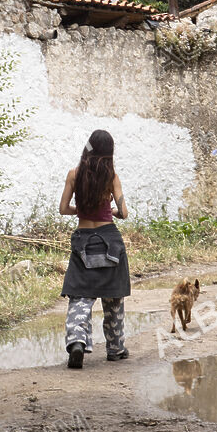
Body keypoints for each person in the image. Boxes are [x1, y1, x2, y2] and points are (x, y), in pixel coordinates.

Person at [58, 129, 131, 369]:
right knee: (113, 298)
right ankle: (115, 348)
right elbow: (124, 213)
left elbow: (63, 208)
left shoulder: (73, 175)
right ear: (109, 152)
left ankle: (77, 342)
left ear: (88, 147)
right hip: (109, 238)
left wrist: (82, 210)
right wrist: (114, 210)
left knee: (80, 296)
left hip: (83, 240)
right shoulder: (112, 177)